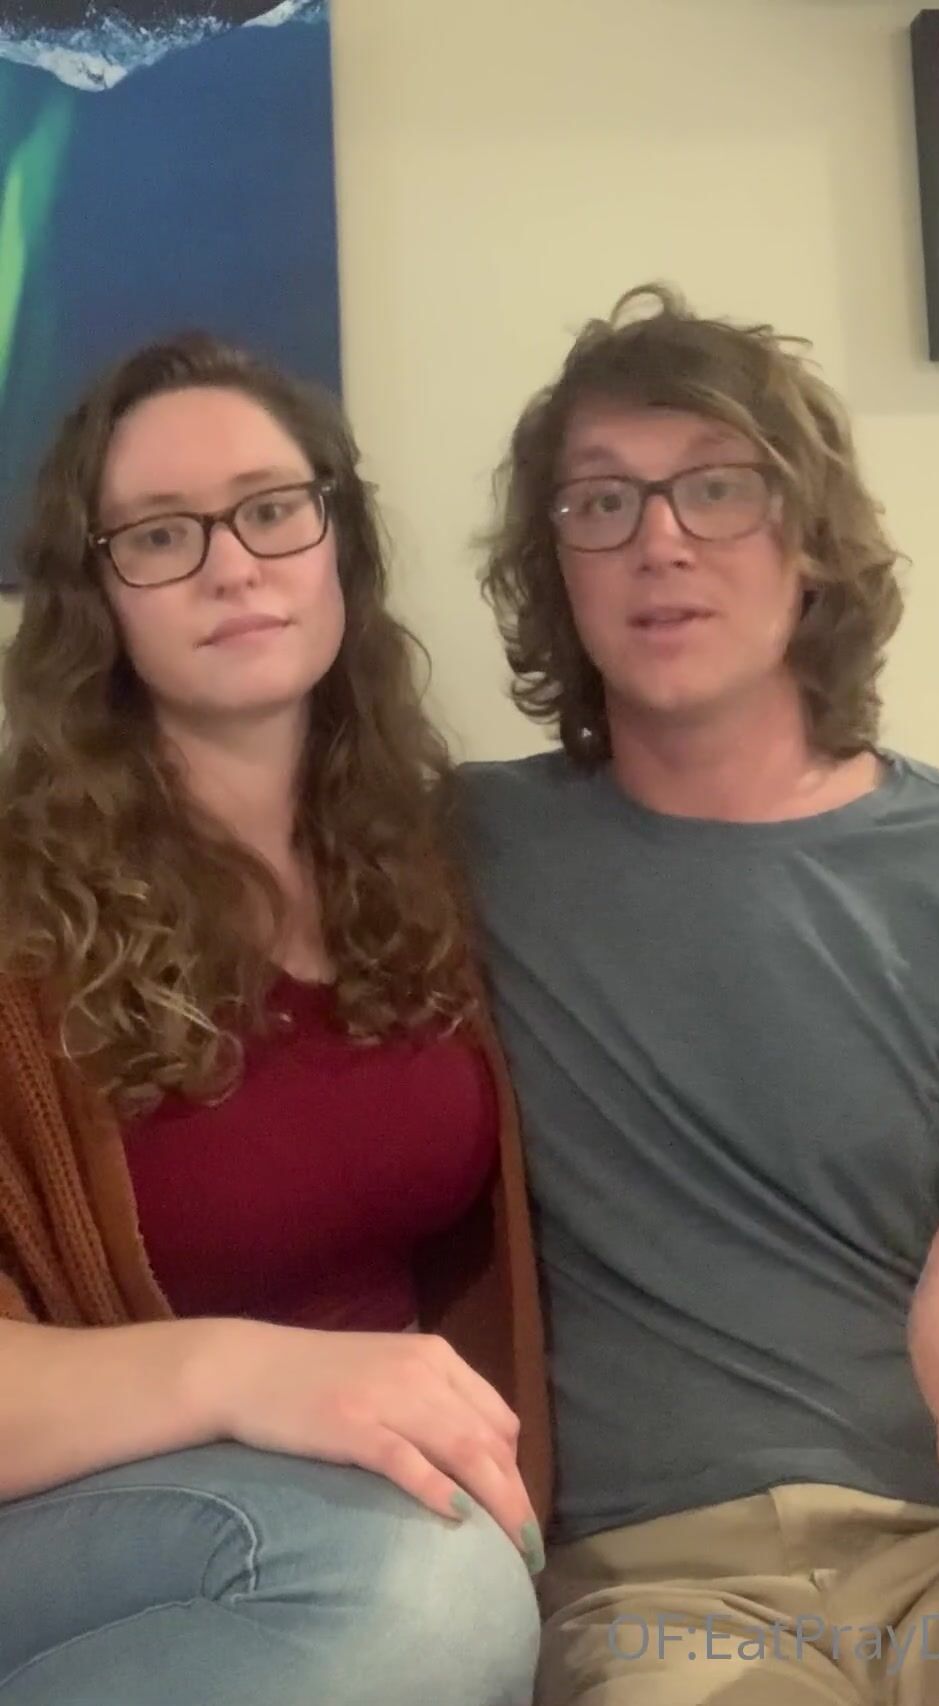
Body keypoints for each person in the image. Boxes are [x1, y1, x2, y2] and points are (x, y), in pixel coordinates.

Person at [460, 284, 939, 1704]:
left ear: (811, 540)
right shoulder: (461, 853)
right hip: (660, 1589)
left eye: (717, 486)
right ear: (558, 568)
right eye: (601, 502)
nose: (659, 539)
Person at [0, 333, 551, 1706]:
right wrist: (247, 1375)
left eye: (270, 508)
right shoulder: (17, 916)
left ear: (336, 539)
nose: (232, 565)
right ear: (93, 594)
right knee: (426, 1594)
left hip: (361, 1528)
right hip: (86, 1529)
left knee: (440, 1575)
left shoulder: (435, 857)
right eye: (159, 534)